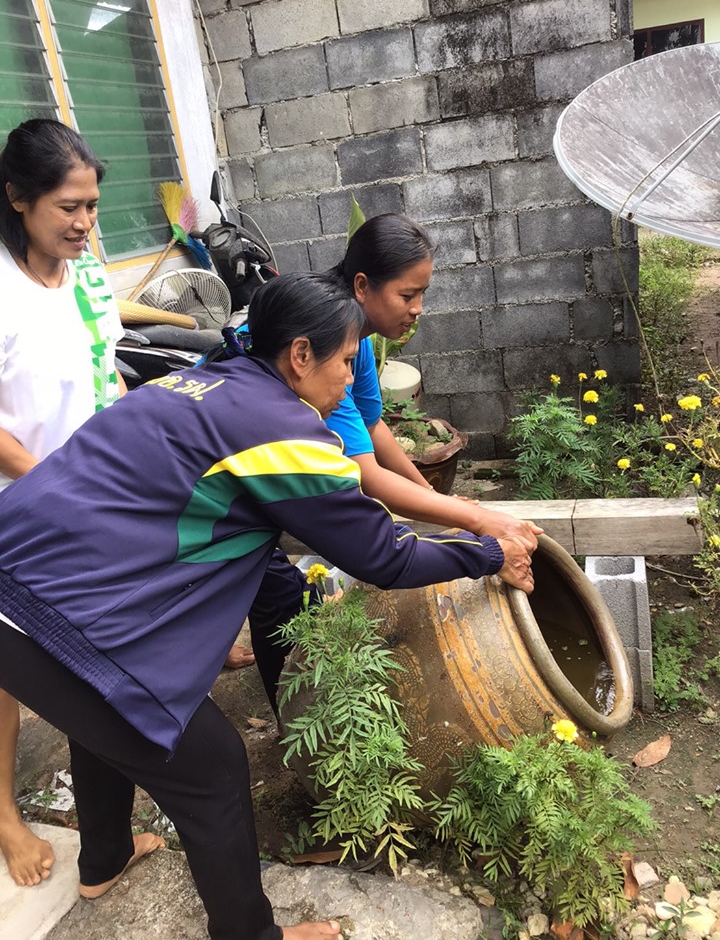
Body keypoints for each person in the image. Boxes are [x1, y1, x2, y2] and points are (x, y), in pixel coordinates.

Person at [0, 272, 533, 940]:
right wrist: (488, 552)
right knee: (214, 768)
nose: (349, 379)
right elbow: (385, 557)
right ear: (301, 356)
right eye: (346, 362)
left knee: (100, 711)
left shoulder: (191, 380)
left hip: (15, 572)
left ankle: (103, 859)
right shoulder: (282, 433)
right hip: (39, 607)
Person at [245, 214, 543, 711]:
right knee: (280, 594)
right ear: (363, 286)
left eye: (422, 294)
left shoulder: (352, 342)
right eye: (408, 295)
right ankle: (292, 723)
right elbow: (365, 477)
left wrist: (432, 501)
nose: (417, 310)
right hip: (246, 475)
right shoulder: (322, 349)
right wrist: (475, 520)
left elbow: (370, 427)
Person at [0, 118, 127, 887]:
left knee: (86, 654)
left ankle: (107, 836)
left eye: (92, 207)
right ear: (17, 198)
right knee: (7, 674)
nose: (84, 223)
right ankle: (6, 817)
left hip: (83, 504)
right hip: (17, 508)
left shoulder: (87, 277)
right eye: (68, 207)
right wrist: (47, 481)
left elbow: (104, 376)